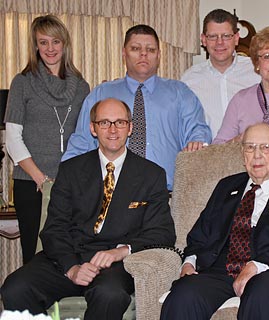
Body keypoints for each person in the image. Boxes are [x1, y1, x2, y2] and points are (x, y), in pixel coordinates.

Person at [1, 98, 176, 320]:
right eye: (104, 123)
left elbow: (163, 233)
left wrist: (120, 251)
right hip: (69, 256)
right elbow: (54, 229)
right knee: (15, 288)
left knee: (109, 295)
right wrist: (72, 267)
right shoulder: (70, 170)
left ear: (130, 128)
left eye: (120, 122)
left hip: (116, 264)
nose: (113, 129)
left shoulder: (152, 175)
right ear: (93, 128)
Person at [161, 123, 269, 320]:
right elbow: (200, 234)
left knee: (260, 291)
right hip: (220, 270)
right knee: (184, 294)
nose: (257, 155)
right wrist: (189, 262)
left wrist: (257, 265)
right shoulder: (226, 187)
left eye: (265, 147)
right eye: (250, 147)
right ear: (243, 154)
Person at [63, 24, 211, 190]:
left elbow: (198, 130)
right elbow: (81, 143)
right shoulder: (101, 94)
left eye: (151, 49)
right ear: (124, 53)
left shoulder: (180, 93)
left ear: (159, 55)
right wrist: (65, 181)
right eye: (135, 48)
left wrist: (198, 141)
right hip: (111, 194)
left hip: (166, 194)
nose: (143, 54)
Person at [4, 15, 90, 264]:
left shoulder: (82, 87)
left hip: (71, 185)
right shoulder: (22, 83)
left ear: (65, 44)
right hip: (31, 183)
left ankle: (66, 304)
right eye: (43, 42)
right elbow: (13, 138)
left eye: (55, 41)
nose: (50, 49)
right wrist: (40, 178)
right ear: (35, 47)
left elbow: (85, 137)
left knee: (70, 254)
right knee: (35, 255)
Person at [181, 9, 269, 138]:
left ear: (236, 38)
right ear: (203, 39)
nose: (220, 42)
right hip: (222, 158)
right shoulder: (189, 80)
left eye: (226, 36)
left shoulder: (257, 69)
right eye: (213, 36)